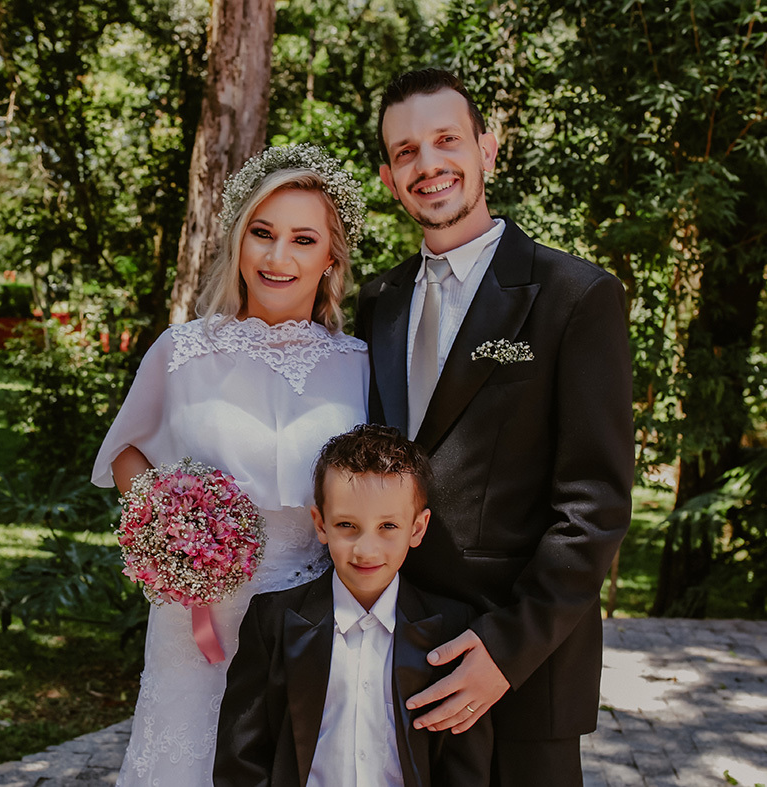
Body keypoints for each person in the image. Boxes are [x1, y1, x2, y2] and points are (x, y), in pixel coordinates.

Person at [355, 68, 633, 785]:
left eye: (446, 140)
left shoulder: (575, 296)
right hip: (398, 655)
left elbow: (594, 506)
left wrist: (506, 651)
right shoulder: (377, 303)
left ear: (487, 149)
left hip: (522, 670)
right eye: (406, 151)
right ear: (389, 179)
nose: (428, 164)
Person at [92, 143, 371, 786]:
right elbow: (125, 452)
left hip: (309, 620)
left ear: (331, 257)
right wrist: (165, 526)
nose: (278, 257)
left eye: (303, 239)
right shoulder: (181, 352)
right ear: (238, 240)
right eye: (262, 233)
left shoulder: (358, 363)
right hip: (195, 619)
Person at [214, 424, 492, 787]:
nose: (366, 550)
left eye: (388, 526)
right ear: (321, 524)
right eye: (347, 524)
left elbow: (465, 769)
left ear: (417, 528)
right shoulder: (272, 621)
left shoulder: (452, 628)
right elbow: (240, 759)